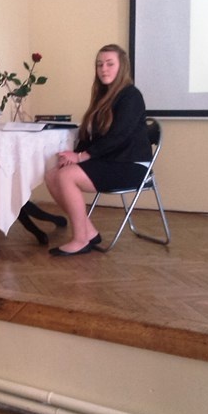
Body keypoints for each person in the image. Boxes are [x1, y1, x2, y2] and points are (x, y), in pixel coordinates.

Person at [45, 44, 152, 257]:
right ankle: (90, 232)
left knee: (66, 177)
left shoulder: (131, 96)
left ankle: (80, 239)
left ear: (122, 67)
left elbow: (118, 137)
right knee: (52, 175)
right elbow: (91, 136)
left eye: (110, 64)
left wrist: (81, 157)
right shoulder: (102, 96)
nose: (104, 69)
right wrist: (73, 156)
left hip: (132, 165)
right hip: (110, 160)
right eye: (99, 64)